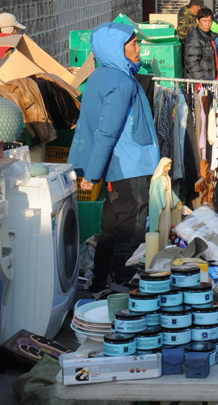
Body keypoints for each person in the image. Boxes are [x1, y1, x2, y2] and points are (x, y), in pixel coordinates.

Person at [68, 22, 159, 293]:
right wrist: (92, 174)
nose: (138, 48)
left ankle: (98, 283)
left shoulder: (99, 76)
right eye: (133, 44)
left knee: (110, 228)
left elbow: (90, 128)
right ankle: (122, 288)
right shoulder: (121, 83)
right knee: (130, 232)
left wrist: (93, 171)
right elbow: (106, 133)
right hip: (129, 167)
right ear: (116, 49)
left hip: (116, 169)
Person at [183, 7, 218, 79]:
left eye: (210, 21)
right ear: (197, 20)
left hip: (210, 81)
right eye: (204, 21)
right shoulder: (194, 39)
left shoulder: (209, 36)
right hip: (200, 84)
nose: (207, 24)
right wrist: (202, 82)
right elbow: (192, 63)